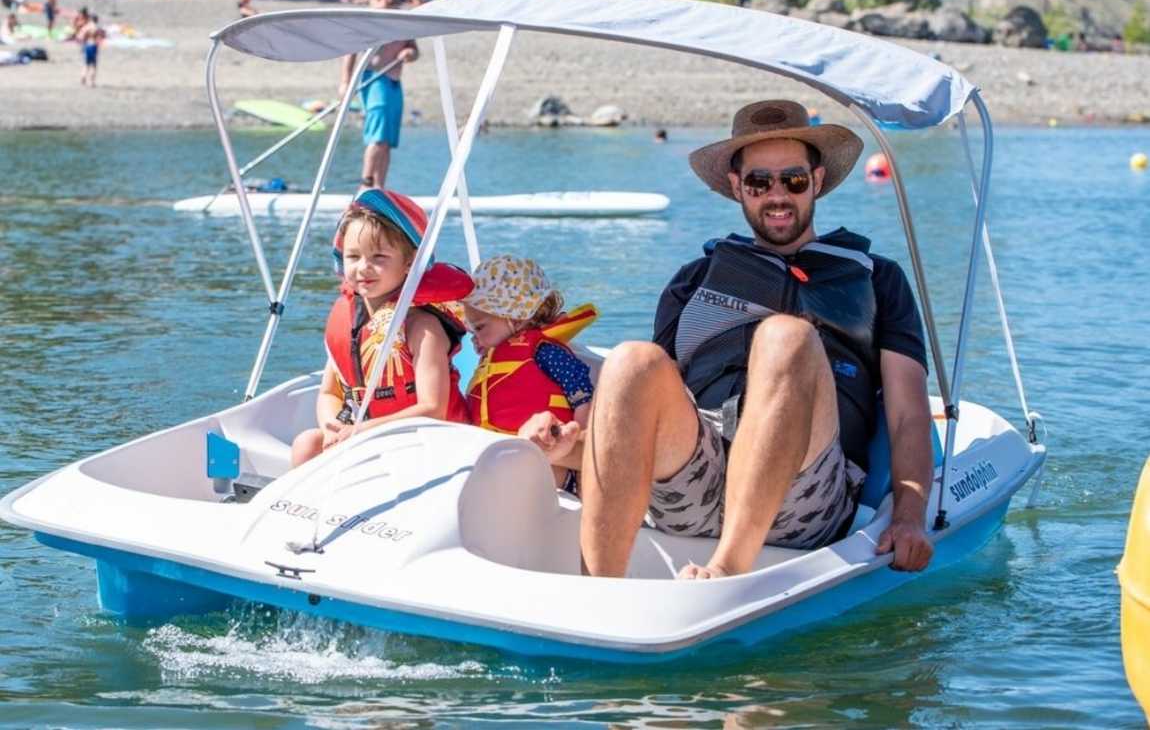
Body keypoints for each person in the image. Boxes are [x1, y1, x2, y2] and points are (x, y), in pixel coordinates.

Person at [579, 100, 935, 580]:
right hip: (695, 482)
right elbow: (644, 404)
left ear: (817, 179)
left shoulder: (878, 278)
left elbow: (909, 413)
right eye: (759, 182)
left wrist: (910, 517)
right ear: (736, 187)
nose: (777, 196)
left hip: (803, 495)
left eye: (792, 180)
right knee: (630, 360)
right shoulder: (694, 279)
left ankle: (726, 569)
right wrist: (568, 451)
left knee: (785, 337)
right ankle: (599, 590)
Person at [290, 190, 473, 467]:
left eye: (378, 257)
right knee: (307, 445)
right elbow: (330, 392)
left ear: (409, 263)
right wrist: (332, 429)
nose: (364, 268)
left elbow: (432, 408)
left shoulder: (422, 328)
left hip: (429, 443)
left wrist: (364, 431)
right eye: (353, 256)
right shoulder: (351, 320)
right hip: (368, 436)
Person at [461, 255, 597, 489]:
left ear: (516, 317)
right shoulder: (491, 361)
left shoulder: (544, 351)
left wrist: (583, 446)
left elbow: (581, 393)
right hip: (497, 455)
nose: (474, 337)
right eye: (472, 330)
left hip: (554, 464)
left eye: (480, 327)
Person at [339, 0, 418, 189]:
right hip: (374, 80)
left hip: (394, 82)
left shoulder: (405, 19)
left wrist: (410, 53)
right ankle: (365, 184)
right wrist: (345, 82)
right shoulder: (370, 17)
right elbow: (351, 49)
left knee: (387, 142)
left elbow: (413, 48)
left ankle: (380, 188)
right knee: (377, 137)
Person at [78, 13, 103, 87]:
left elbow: (81, 36)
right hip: (93, 46)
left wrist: (82, 46)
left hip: (87, 45)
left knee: (86, 64)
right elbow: (98, 39)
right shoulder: (96, 27)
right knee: (94, 65)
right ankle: (92, 82)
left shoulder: (87, 26)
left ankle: (83, 77)